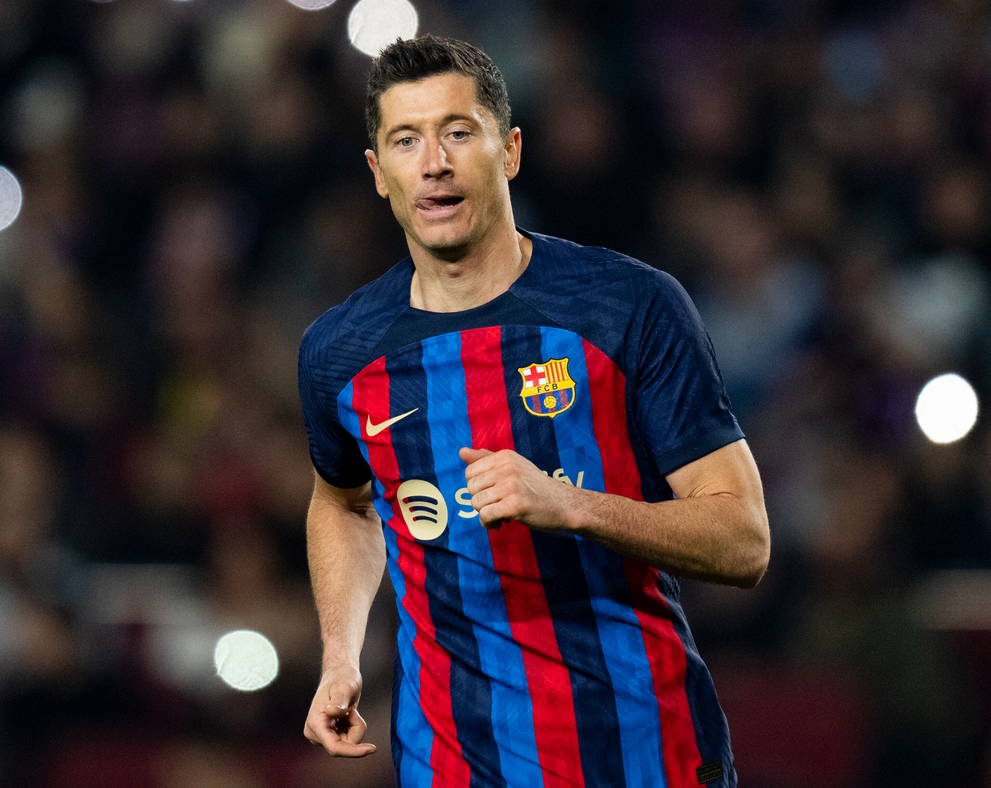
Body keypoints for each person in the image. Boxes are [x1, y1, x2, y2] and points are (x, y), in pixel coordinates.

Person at [298, 35, 770, 787]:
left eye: (458, 132)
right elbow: (345, 503)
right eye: (406, 141)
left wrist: (572, 505)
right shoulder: (339, 352)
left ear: (510, 151)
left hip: (640, 753)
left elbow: (744, 541)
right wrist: (339, 655)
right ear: (378, 172)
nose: (434, 162)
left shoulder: (628, 307)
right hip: (452, 762)